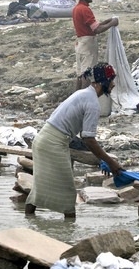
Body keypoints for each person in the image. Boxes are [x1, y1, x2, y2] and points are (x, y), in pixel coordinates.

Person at [24, 63, 123, 219]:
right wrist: (110, 162)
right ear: (103, 81)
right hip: (53, 144)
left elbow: (84, 138)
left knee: (39, 188)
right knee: (68, 192)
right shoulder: (92, 103)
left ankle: (29, 221)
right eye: (111, 80)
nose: (113, 84)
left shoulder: (83, 94)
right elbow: (89, 139)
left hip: (45, 139)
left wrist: (102, 159)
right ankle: (69, 232)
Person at [72, 0, 119, 88]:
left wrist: (107, 21)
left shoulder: (77, 8)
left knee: (80, 73)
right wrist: (112, 23)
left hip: (80, 43)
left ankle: (76, 97)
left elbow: (92, 25)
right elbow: (97, 29)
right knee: (87, 73)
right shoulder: (85, 9)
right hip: (88, 44)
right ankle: (84, 99)